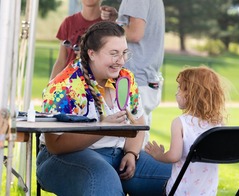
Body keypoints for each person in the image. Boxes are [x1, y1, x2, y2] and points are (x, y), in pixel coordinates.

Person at [37, 21, 171, 196]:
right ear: (92, 53)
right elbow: (55, 145)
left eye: (124, 53)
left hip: (118, 155)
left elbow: (138, 122)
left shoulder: (125, 78)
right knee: (102, 177)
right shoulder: (64, 86)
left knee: (176, 176)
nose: (121, 61)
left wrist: (131, 153)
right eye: (114, 54)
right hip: (61, 159)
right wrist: (101, 129)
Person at [145, 66, 229, 195]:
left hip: (180, 192)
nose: (176, 92)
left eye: (180, 88)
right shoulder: (218, 124)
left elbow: (174, 156)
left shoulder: (180, 123)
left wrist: (159, 155)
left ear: (191, 94)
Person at [101, 0, 166, 146]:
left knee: (130, 146)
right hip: (146, 78)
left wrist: (113, 26)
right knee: (137, 143)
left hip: (135, 77)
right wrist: (117, 19)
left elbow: (135, 33)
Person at [50, 0, 107, 79]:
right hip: (69, 83)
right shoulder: (68, 23)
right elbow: (61, 61)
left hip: (96, 83)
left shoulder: (108, 25)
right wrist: (50, 87)